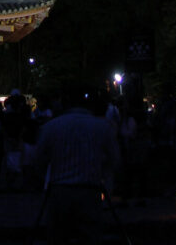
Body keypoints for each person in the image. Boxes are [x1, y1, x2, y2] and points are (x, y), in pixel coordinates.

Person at [36, 85, 120, 245]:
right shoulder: (102, 127)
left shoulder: (51, 127)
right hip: (89, 188)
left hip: (60, 189)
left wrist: (46, 179)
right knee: (90, 236)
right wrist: (103, 177)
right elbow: (114, 159)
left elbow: (39, 159)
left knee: (58, 237)